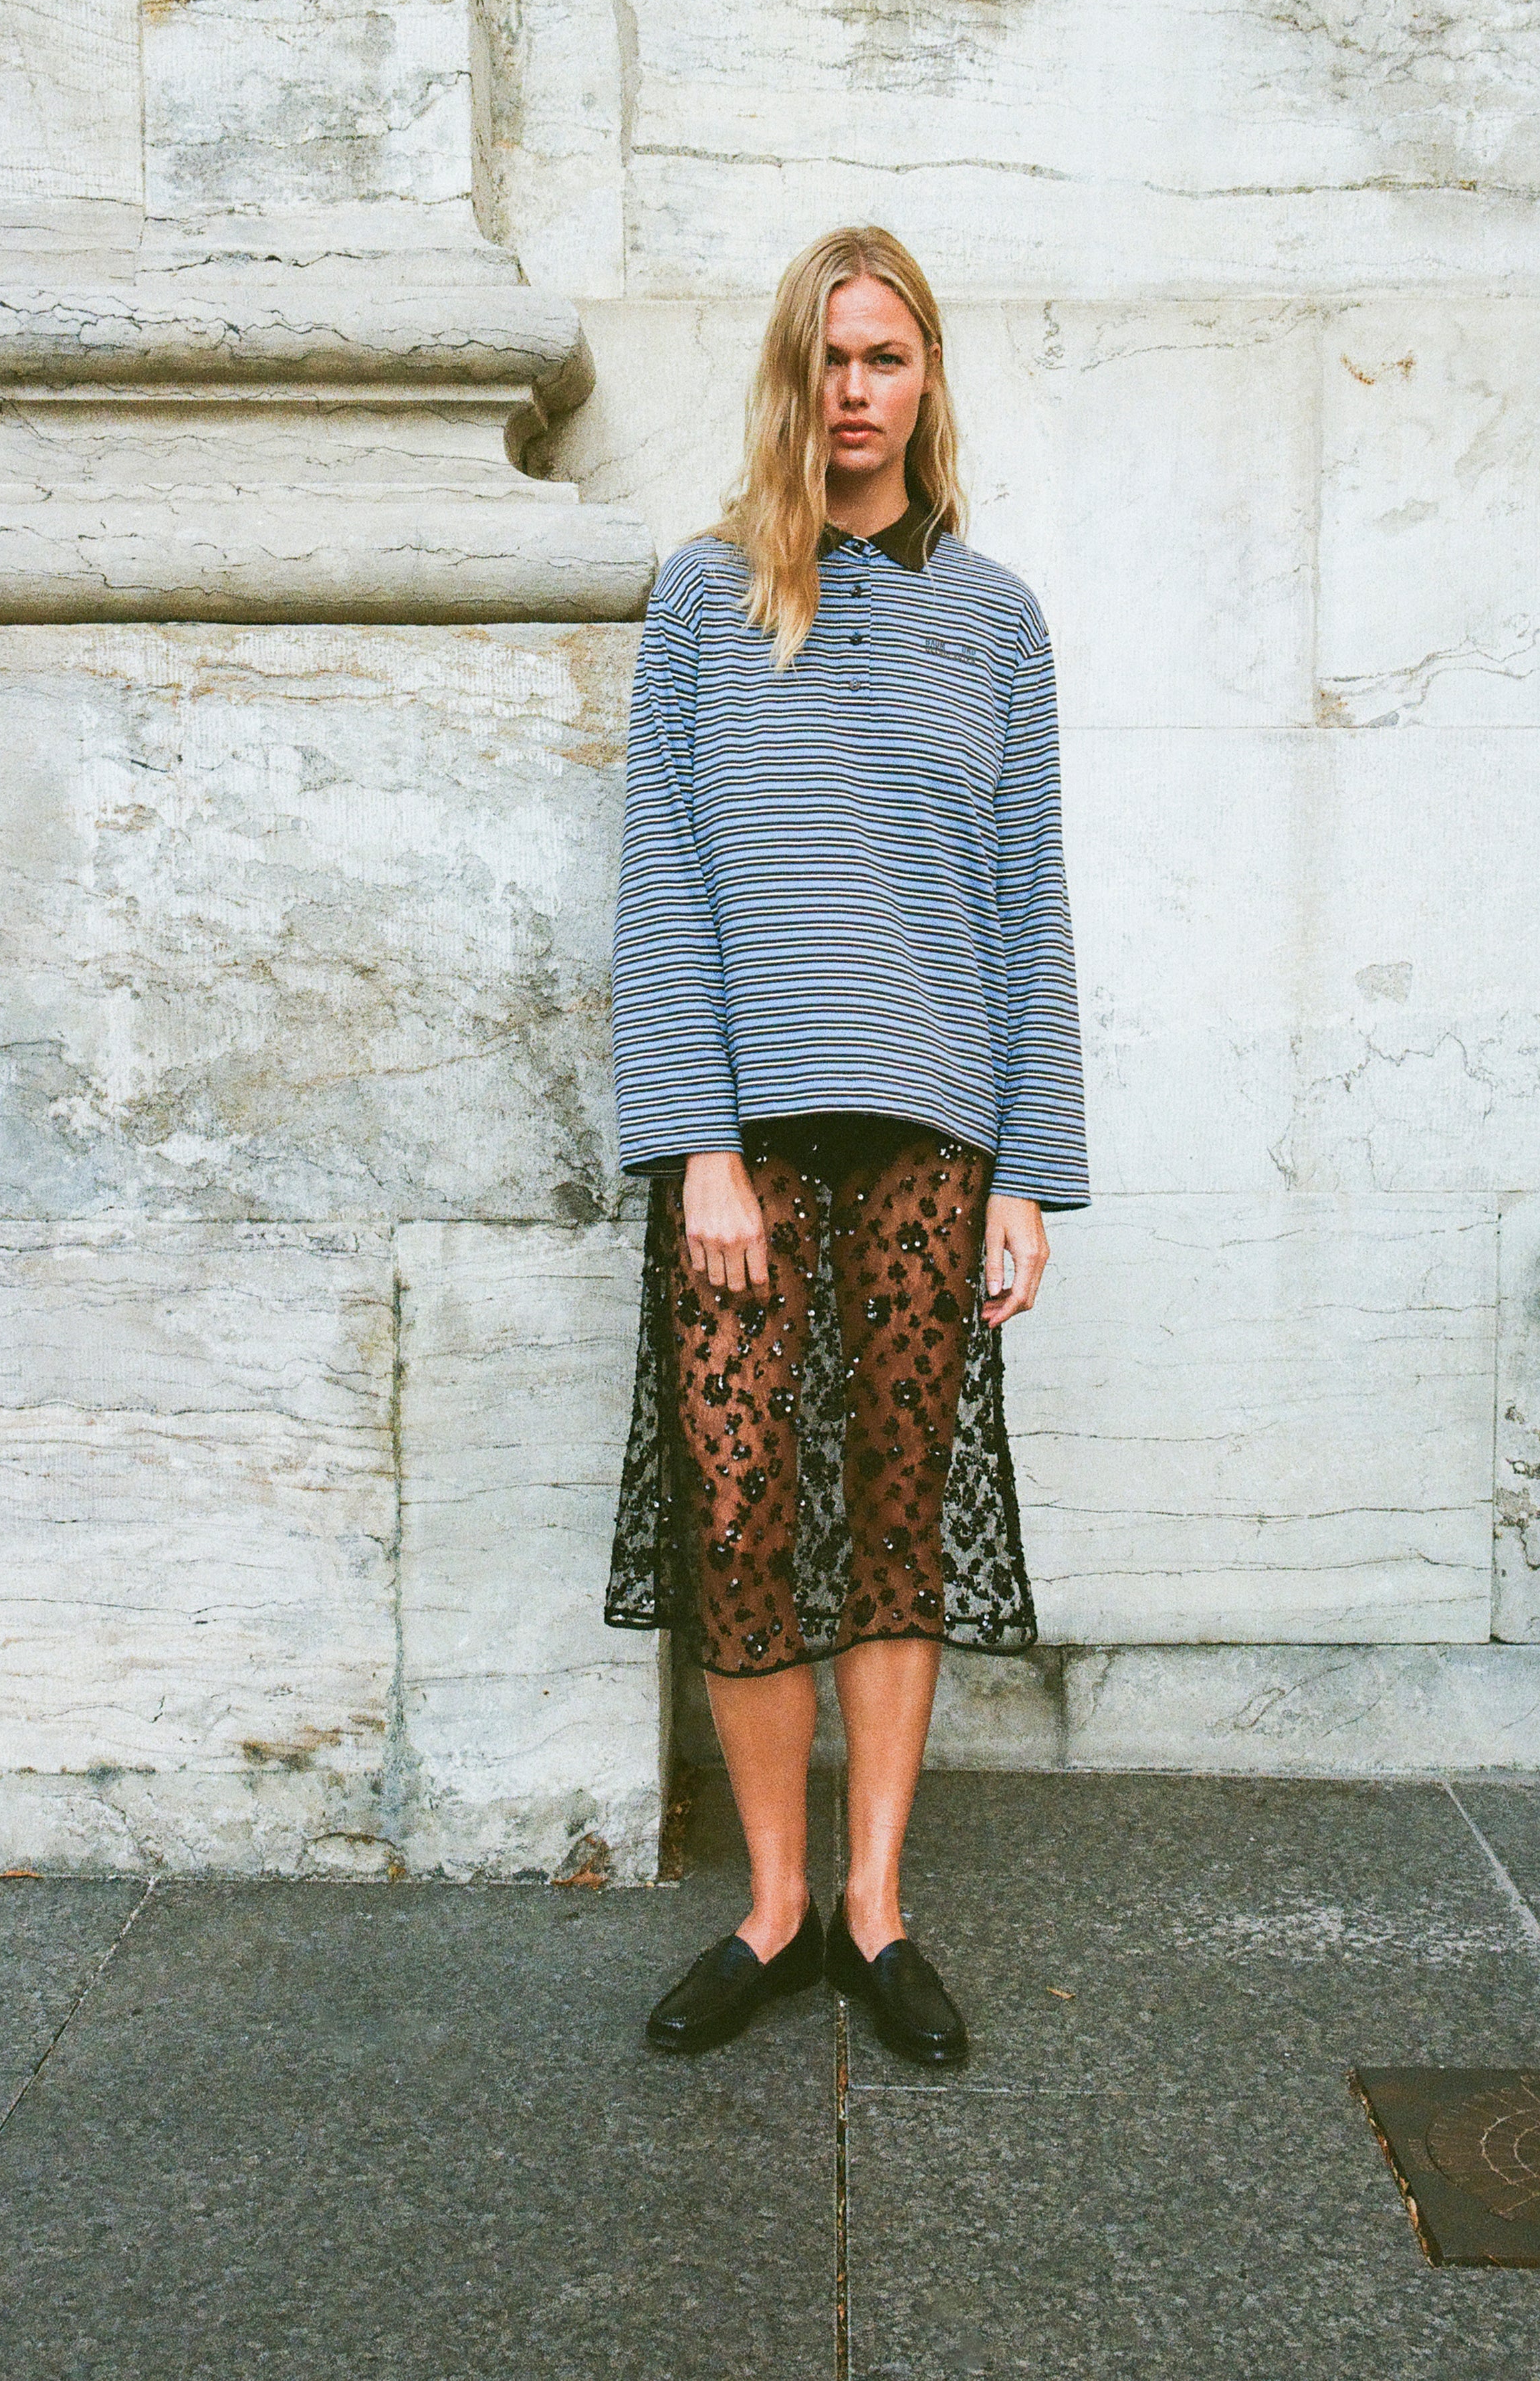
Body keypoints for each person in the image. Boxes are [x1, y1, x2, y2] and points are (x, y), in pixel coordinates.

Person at [604, 223, 1089, 2063]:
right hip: (748, 1142)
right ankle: (773, 1909)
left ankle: (875, 1912)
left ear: (927, 376)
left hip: (929, 1140)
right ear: (790, 376)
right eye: (830, 355)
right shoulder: (702, 601)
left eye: (887, 355)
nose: (857, 388)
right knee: (740, 1514)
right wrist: (699, 1151)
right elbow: (664, 891)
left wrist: (1026, 1172)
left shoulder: (997, 623)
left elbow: (1026, 907)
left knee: (895, 1508)